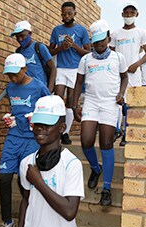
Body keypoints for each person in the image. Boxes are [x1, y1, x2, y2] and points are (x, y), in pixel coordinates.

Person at [73, 19, 128, 206]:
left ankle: (106, 187)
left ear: (108, 38)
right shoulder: (85, 59)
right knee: (86, 140)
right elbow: (78, 83)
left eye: (102, 40)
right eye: (95, 41)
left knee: (106, 143)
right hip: (91, 102)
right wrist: (74, 105)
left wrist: (121, 94)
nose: (99, 44)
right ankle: (96, 168)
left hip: (110, 104)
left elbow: (125, 77)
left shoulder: (118, 58)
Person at [15, 95, 84, 227]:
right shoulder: (27, 162)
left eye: (47, 123)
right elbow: (26, 201)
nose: (40, 128)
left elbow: (70, 211)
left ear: (62, 128)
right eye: (37, 123)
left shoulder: (71, 164)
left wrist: (38, 182)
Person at [0, 53, 51, 227]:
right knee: (4, 178)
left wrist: (36, 119)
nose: (12, 78)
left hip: (31, 139)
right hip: (13, 137)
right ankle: (7, 222)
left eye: (15, 74)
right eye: (9, 75)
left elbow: (50, 107)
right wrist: (10, 118)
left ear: (25, 69)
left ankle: (30, 218)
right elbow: (15, 110)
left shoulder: (38, 87)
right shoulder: (10, 88)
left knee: (26, 180)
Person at [109, 0, 146, 146]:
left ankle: (128, 132)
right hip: (118, 74)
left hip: (134, 74)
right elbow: (111, 53)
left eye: (131, 13)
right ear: (122, 14)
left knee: (131, 104)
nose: (128, 15)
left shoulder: (141, 32)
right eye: (126, 13)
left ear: (136, 14)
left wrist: (137, 64)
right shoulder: (115, 33)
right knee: (117, 101)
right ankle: (117, 129)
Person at [49, 1, 91, 145]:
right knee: (58, 99)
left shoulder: (82, 30)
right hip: (61, 68)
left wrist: (73, 45)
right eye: (64, 13)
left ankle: (65, 133)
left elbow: (88, 52)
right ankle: (56, 130)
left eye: (69, 13)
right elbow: (50, 51)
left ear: (75, 14)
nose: (66, 16)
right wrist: (61, 48)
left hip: (75, 69)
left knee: (71, 101)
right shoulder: (56, 30)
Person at [10, 20, 57, 92]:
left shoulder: (39, 47)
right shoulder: (18, 52)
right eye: (17, 37)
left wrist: (49, 89)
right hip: (26, 89)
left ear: (30, 34)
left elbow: (53, 68)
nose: (20, 39)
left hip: (40, 89)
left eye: (22, 36)